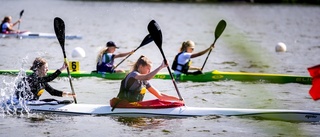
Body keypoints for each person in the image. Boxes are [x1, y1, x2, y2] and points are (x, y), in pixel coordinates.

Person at [111, 55, 181, 107]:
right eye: (148, 69)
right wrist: (161, 67)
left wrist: (178, 99)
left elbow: (160, 95)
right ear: (141, 66)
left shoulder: (144, 81)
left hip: (133, 106)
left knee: (159, 102)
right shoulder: (133, 74)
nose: (149, 71)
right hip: (121, 106)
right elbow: (147, 77)